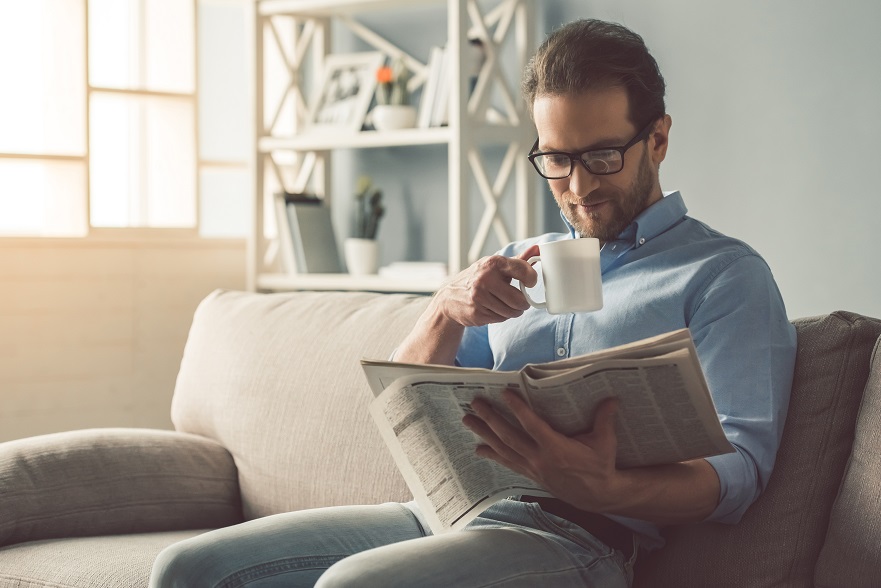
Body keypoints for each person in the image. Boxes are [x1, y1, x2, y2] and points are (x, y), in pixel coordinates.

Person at [150, 18, 796, 588]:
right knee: (189, 569)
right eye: (556, 159)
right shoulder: (521, 257)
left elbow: (738, 470)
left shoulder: (721, 276)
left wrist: (607, 488)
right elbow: (398, 404)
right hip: (439, 511)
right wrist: (443, 309)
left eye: (602, 156)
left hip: (574, 539)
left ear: (655, 139)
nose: (577, 187)